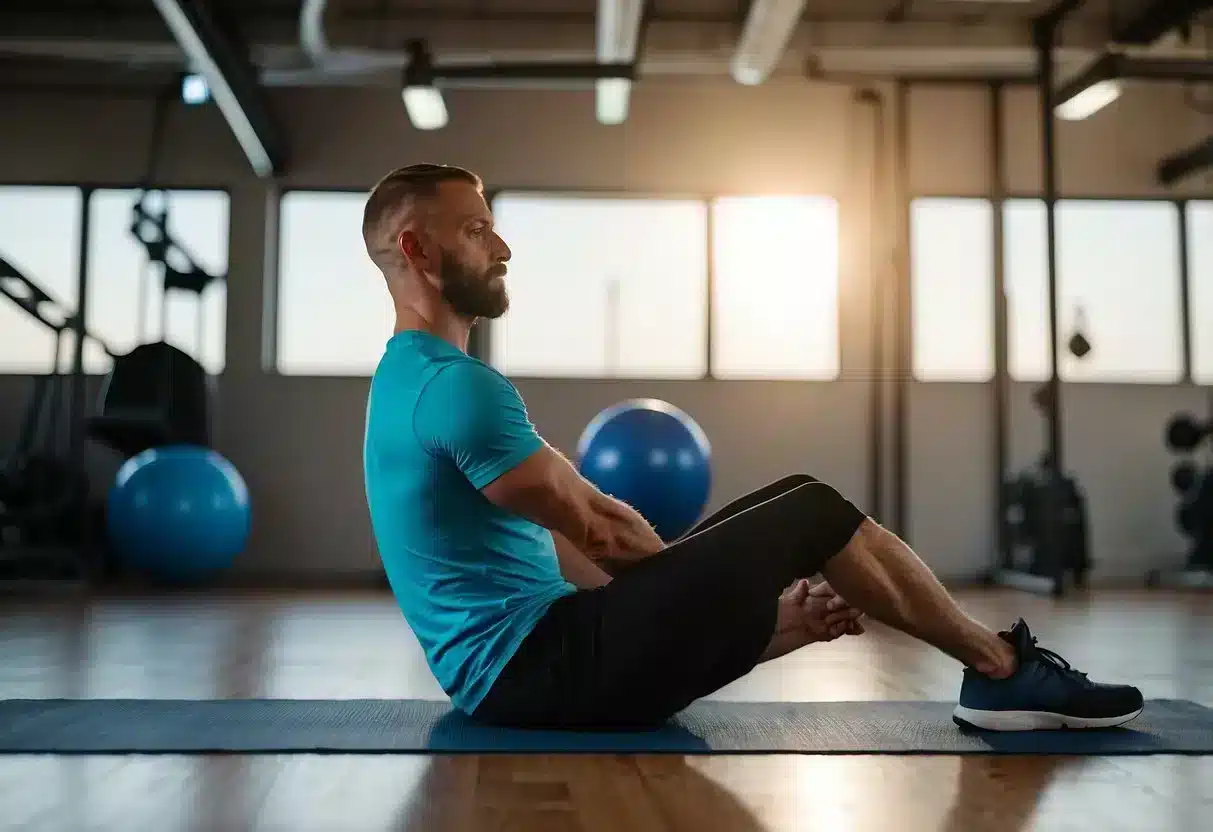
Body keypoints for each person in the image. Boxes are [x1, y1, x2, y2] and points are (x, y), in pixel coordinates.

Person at [360, 162, 1144, 732]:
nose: (501, 247)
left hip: (524, 674)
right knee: (810, 510)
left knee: (777, 516)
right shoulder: (455, 389)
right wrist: (723, 593)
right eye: (475, 229)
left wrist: (745, 614)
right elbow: (596, 531)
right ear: (418, 252)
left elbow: (582, 565)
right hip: (539, 675)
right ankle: (999, 668)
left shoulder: (407, 381)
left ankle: (791, 626)